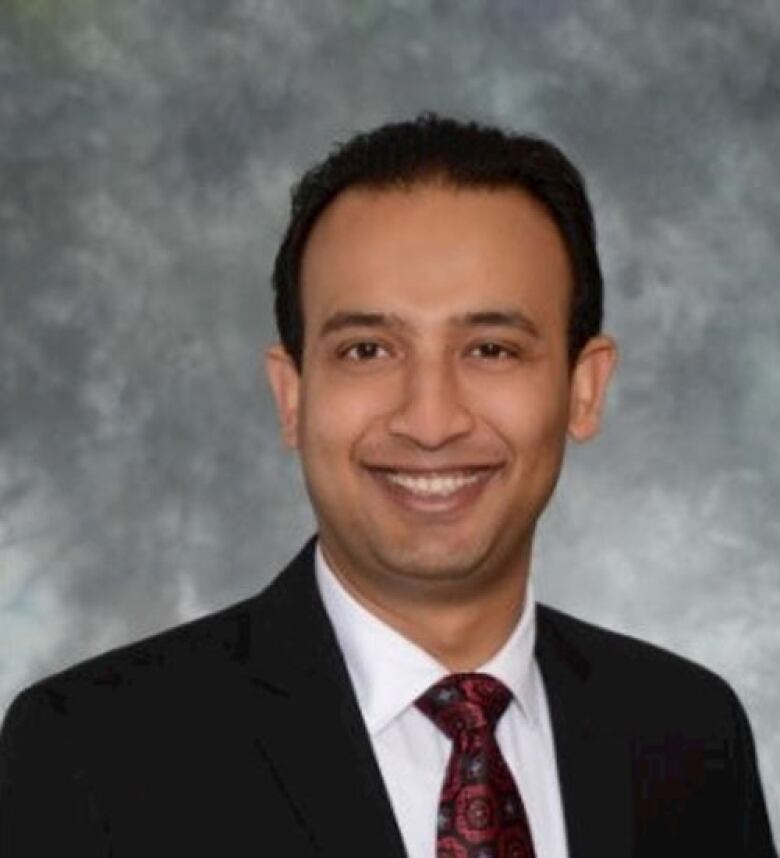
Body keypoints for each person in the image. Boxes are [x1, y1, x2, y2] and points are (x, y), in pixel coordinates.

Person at [0, 115, 775, 857]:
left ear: (584, 388)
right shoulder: (92, 754)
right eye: (368, 350)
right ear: (293, 395)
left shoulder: (689, 739)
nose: (429, 420)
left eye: (492, 350)